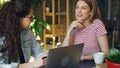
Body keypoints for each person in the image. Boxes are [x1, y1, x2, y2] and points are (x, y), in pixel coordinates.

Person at [0, 0, 47, 68]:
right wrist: (32, 65)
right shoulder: (2, 35)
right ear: (17, 18)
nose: (32, 20)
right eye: (30, 17)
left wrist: (44, 59)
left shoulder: (28, 32)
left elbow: (38, 51)